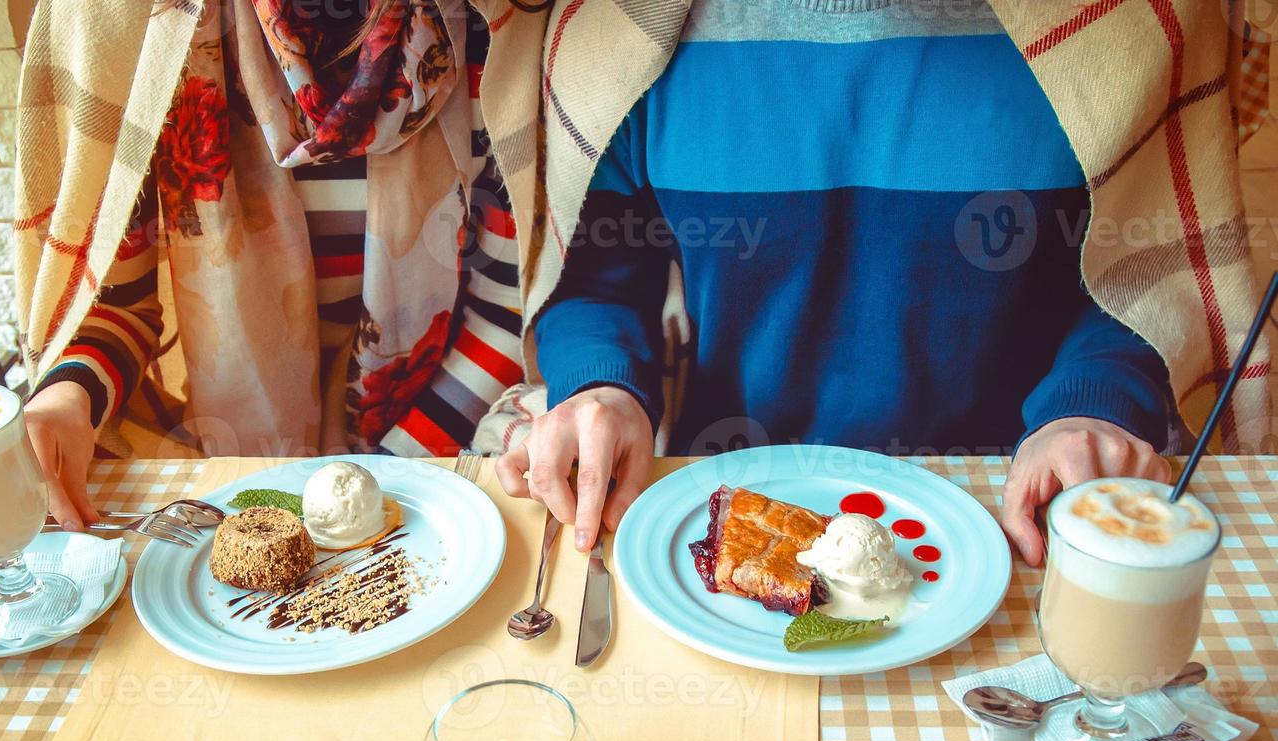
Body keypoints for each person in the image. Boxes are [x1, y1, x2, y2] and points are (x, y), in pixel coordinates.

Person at [483, 0, 1273, 565]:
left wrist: (1092, 400)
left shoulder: (1134, 27)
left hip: (1021, 518)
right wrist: (604, 385)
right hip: (723, 511)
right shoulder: (613, 36)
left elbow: (1147, 273)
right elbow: (595, 273)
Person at [15, 0, 527, 529]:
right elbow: (119, 307)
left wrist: (382, 489)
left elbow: (507, 307)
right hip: (231, 466)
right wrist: (66, 399)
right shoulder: (138, 26)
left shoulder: (490, 22)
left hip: (439, 451)